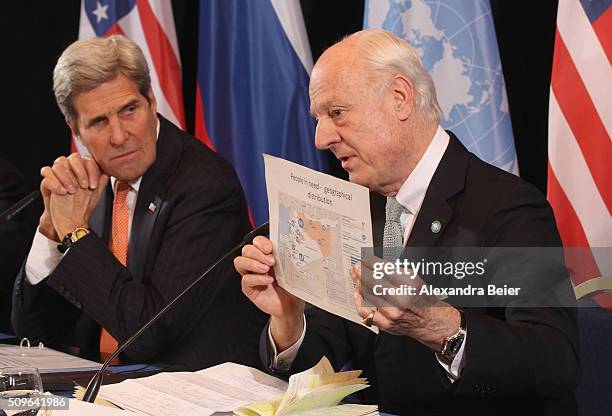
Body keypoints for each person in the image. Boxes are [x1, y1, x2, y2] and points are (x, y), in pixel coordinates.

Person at [235, 29, 579, 415]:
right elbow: (325, 355)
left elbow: (555, 360)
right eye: (318, 118)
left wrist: (443, 328)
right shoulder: (360, 206)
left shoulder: (509, 206)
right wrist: (288, 317)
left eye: (336, 113)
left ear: (399, 98)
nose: (320, 138)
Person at [12, 35, 266, 369]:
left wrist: (75, 232)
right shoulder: (88, 183)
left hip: (189, 388)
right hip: (103, 384)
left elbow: (147, 334)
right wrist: (51, 230)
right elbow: (33, 331)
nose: (119, 136)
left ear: (151, 100)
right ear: (75, 129)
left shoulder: (205, 184)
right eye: (99, 122)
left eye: (129, 110)